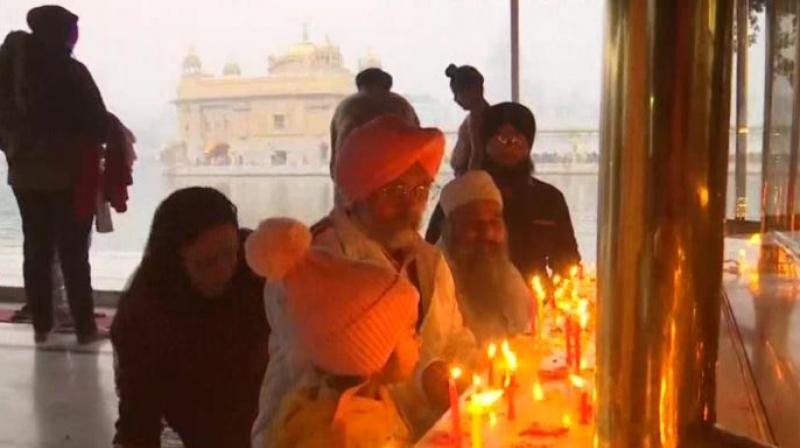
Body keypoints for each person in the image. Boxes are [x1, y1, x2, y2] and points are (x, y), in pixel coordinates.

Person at [251, 115, 476, 446]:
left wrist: (461, 372)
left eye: (421, 189)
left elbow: (455, 336)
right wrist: (423, 376)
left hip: (417, 430)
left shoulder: (429, 260)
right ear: (357, 194)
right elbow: (328, 369)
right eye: (395, 189)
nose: (411, 203)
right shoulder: (315, 262)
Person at [111, 187, 269, 448]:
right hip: (205, 423)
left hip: (271, 409)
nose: (224, 271)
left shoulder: (256, 264)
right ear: (175, 264)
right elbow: (138, 421)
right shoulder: (143, 318)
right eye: (206, 263)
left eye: (230, 254)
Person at [247, 218, 420, 447]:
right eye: (409, 330)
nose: (418, 339)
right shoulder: (335, 433)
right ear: (373, 351)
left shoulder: (367, 401)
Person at [0, 5, 109, 344]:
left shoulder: (11, 72)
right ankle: (85, 328)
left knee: (36, 248)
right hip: (67, 175)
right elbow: (98, 126)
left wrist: (14, 150)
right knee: (74, 252)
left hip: (24, 174)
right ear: (63, 33)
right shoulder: (71, 72)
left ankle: (42, 325)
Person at [433, 102, 580, 282]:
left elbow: (566, 259)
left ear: (529, 145)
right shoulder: (460, 197)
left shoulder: (549, 198)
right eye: (501, 139)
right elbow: (432, 257)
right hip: (469, 300)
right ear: (485, 144)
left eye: (517, 139)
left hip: (535, 301)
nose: (509, 147)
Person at [439, 171, 532, 344]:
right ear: (450, 231)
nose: (488, 234)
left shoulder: (507, 273)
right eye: (474, 225)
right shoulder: (434, 279)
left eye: (494, 222)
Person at [328, 68, 419, 177]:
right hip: (396, 178)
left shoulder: (346, 107)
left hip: (353, 179)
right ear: (388, 86)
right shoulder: (402, 105)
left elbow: (335, 154)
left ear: (359, 85)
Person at [445, 64, 490, 176]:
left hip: (469, 177)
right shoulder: (478, 114)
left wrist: (471, 182)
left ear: (473, 90)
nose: (455, 99)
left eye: (457, 93)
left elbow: (477, 153)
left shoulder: (477, 116)